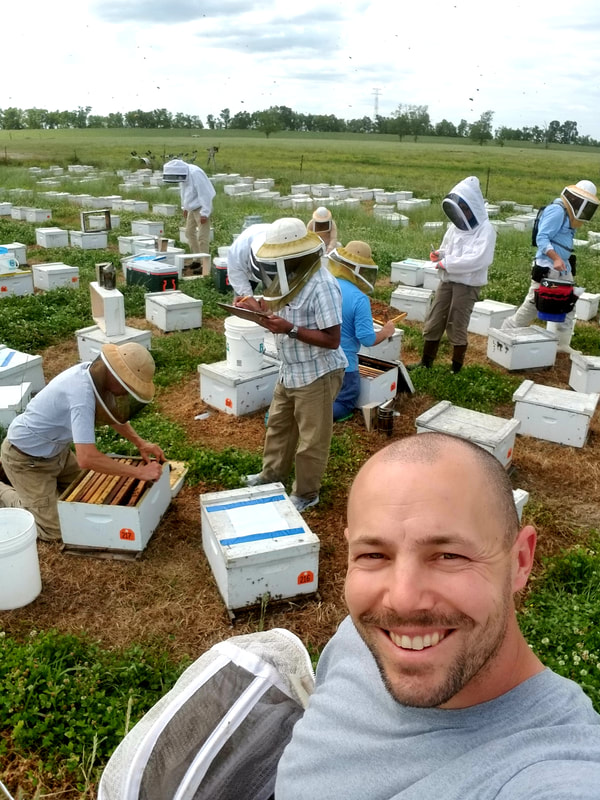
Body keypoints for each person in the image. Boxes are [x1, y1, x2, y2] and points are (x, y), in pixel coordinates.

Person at [275, 433, 600, 799]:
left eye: (449, 556)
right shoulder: (360, 636)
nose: (402, 600)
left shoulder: (557, 768)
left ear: (521, 561)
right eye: (374, 555)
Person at [0, 343, 165, 542]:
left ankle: (37, 493)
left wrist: (140, 443)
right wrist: (139, 473)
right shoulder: (80, 394)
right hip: (25, 460)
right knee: (58, 530)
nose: (127, 392)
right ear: (115, 375)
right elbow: (87, 458)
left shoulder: (96, 377)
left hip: (57, 454)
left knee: (91, 497)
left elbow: (111, 414)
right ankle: (6, 491)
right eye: (128, 385)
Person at [240, 218, 347, 513]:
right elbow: (279, 306)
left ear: (296, 256)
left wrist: (289, 329)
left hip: (317, 372)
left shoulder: (323, 285)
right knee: (279, 426)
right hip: (289, 368)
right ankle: (270, 476)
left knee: (312, 439)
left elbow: (332, 339)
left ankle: (306, 493)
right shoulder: (289, 277)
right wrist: (257, 309)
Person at [501, 180, 599, 354]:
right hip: (548, 266)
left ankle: (562, 343)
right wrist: (555, 258)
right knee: (535, 302)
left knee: (568, 303)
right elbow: (542, 238)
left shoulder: (568, 214)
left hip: (563, 267)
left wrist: (563, 261)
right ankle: (506, 331)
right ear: (575, 199)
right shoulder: (557, 211)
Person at [414, 175, 496, 373]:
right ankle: (426, 363)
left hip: (467, 285)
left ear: (474, 207)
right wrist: (439, 255)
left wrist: (446, 262)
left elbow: (478, 259)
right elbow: (447, 249)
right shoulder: (455, 226)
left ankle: (456, 368)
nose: (463, 213)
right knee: (435, 319)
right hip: (448, 280)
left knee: (456, 323)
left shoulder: (486, 229)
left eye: (466, 209)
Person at [327, 241, 396, 420]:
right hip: (344, 366)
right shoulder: (359, 298)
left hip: (318, 360)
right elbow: (367, 339)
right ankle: (314, 414)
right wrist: (387, 331)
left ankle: (297, 410)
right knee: (344, 404)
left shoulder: (326, 285)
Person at [163, 158, 216, 254]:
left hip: (201, 206)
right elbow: (184, 191)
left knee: (202, 237)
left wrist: (205, 212)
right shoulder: (183, 174)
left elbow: (205, 193)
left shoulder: (196, 173)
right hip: (191, 207)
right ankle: (197, 259)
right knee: (189, 233)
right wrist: (184, 207)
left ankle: (205, 262)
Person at [226, 222, 271, 299]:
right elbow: (237, 276)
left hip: (277, 265)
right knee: (242, 302)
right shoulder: (239, 250)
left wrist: (269, 297)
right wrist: (247, 297)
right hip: (244, 267)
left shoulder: (284, 249)